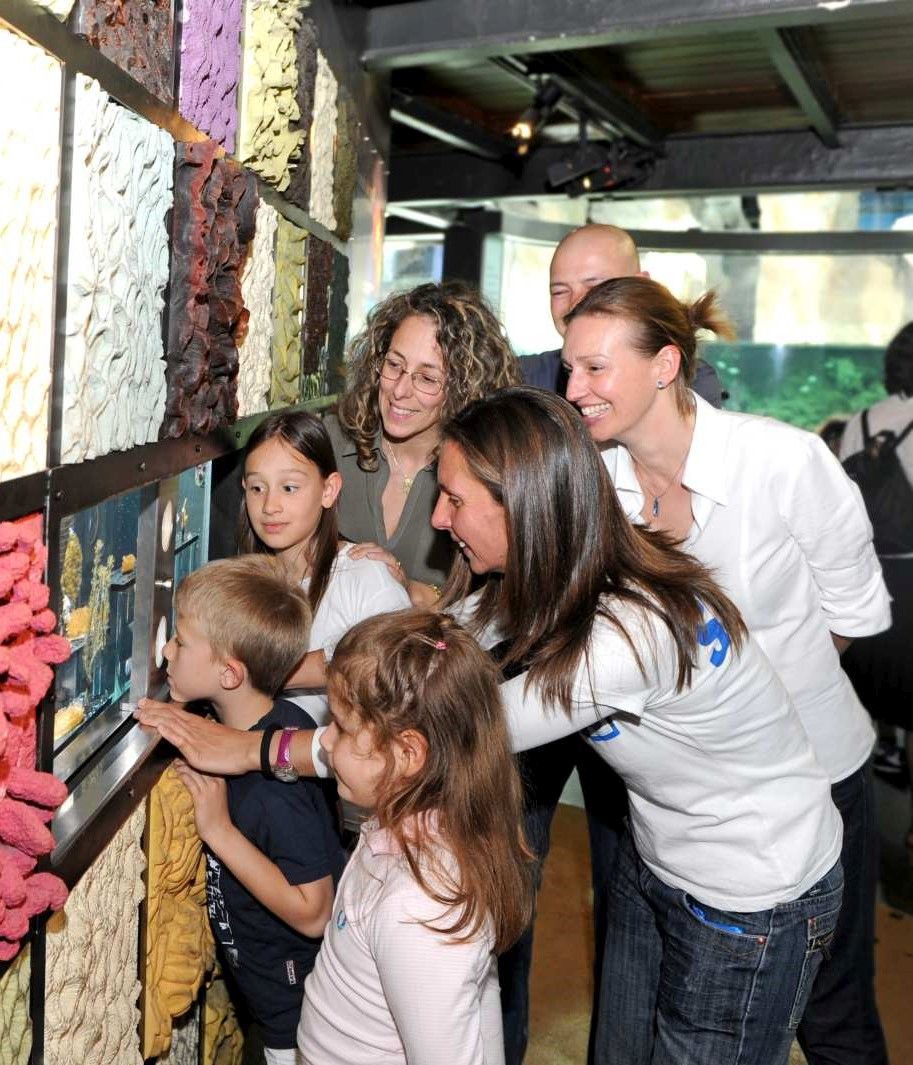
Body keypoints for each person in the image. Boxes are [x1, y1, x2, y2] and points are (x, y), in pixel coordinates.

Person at [138, 389, 845, 1065]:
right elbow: (441, 642)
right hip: (661, 849)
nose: (438, 521)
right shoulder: (546, 576)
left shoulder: (626, 636)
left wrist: (258, 747)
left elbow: (438, 732)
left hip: (749, 888)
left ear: (524, 507)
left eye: (454, 500)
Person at [561, 276, 892, 1065]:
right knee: (658, 1012)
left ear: (665, 363)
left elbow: (854, 612)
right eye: (569, 368)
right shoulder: (597, 484)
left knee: (832, 1016)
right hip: (672, 811)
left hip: (814, 784)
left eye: (594, 368)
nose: (573, 388)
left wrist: (752, 710)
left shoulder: (782, 461)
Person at [506, 222, 721, 1065]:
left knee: (631, 893)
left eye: (596, 287)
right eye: (560, 290)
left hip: (632, 691)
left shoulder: (700, 403)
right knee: (502, 876)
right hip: (529, 662)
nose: (575, 307)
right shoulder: (526, 383)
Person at [299, 608, 535, 1064]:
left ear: (408, 753)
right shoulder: (401, 830)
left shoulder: (420, 910)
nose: (325, 742)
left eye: (343, 728)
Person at [165, 555, 346, 1065]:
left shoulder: (276, 790)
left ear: (229, 672)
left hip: (295, 1014)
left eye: (180, 641)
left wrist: (219, 831)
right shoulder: (253, 721)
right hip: (263, 993)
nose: (166, 649)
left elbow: (314, 912)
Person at [325, 281, 520, 605]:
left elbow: (498, 605)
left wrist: (410, 590)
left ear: (465, 388)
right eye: (394, 365)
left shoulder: (487, 475)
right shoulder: (334, 441)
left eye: (427, 378)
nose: (400, 390)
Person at [239, 411, 410, 724]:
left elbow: (397, 671)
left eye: (289, 488)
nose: (269, 506)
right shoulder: (242, 588)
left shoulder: (365, 575)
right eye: (257, 488)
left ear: (329, 490)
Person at [840, 322, 913, 842]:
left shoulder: (859, 422)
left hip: (863, 578)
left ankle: (855, 813)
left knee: (859, 699)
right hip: (911, 576)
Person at [521, 224, 724, 406]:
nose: (577, 302)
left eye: (595, 286)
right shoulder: (523, 377)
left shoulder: (688, 381)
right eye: (559, 291)